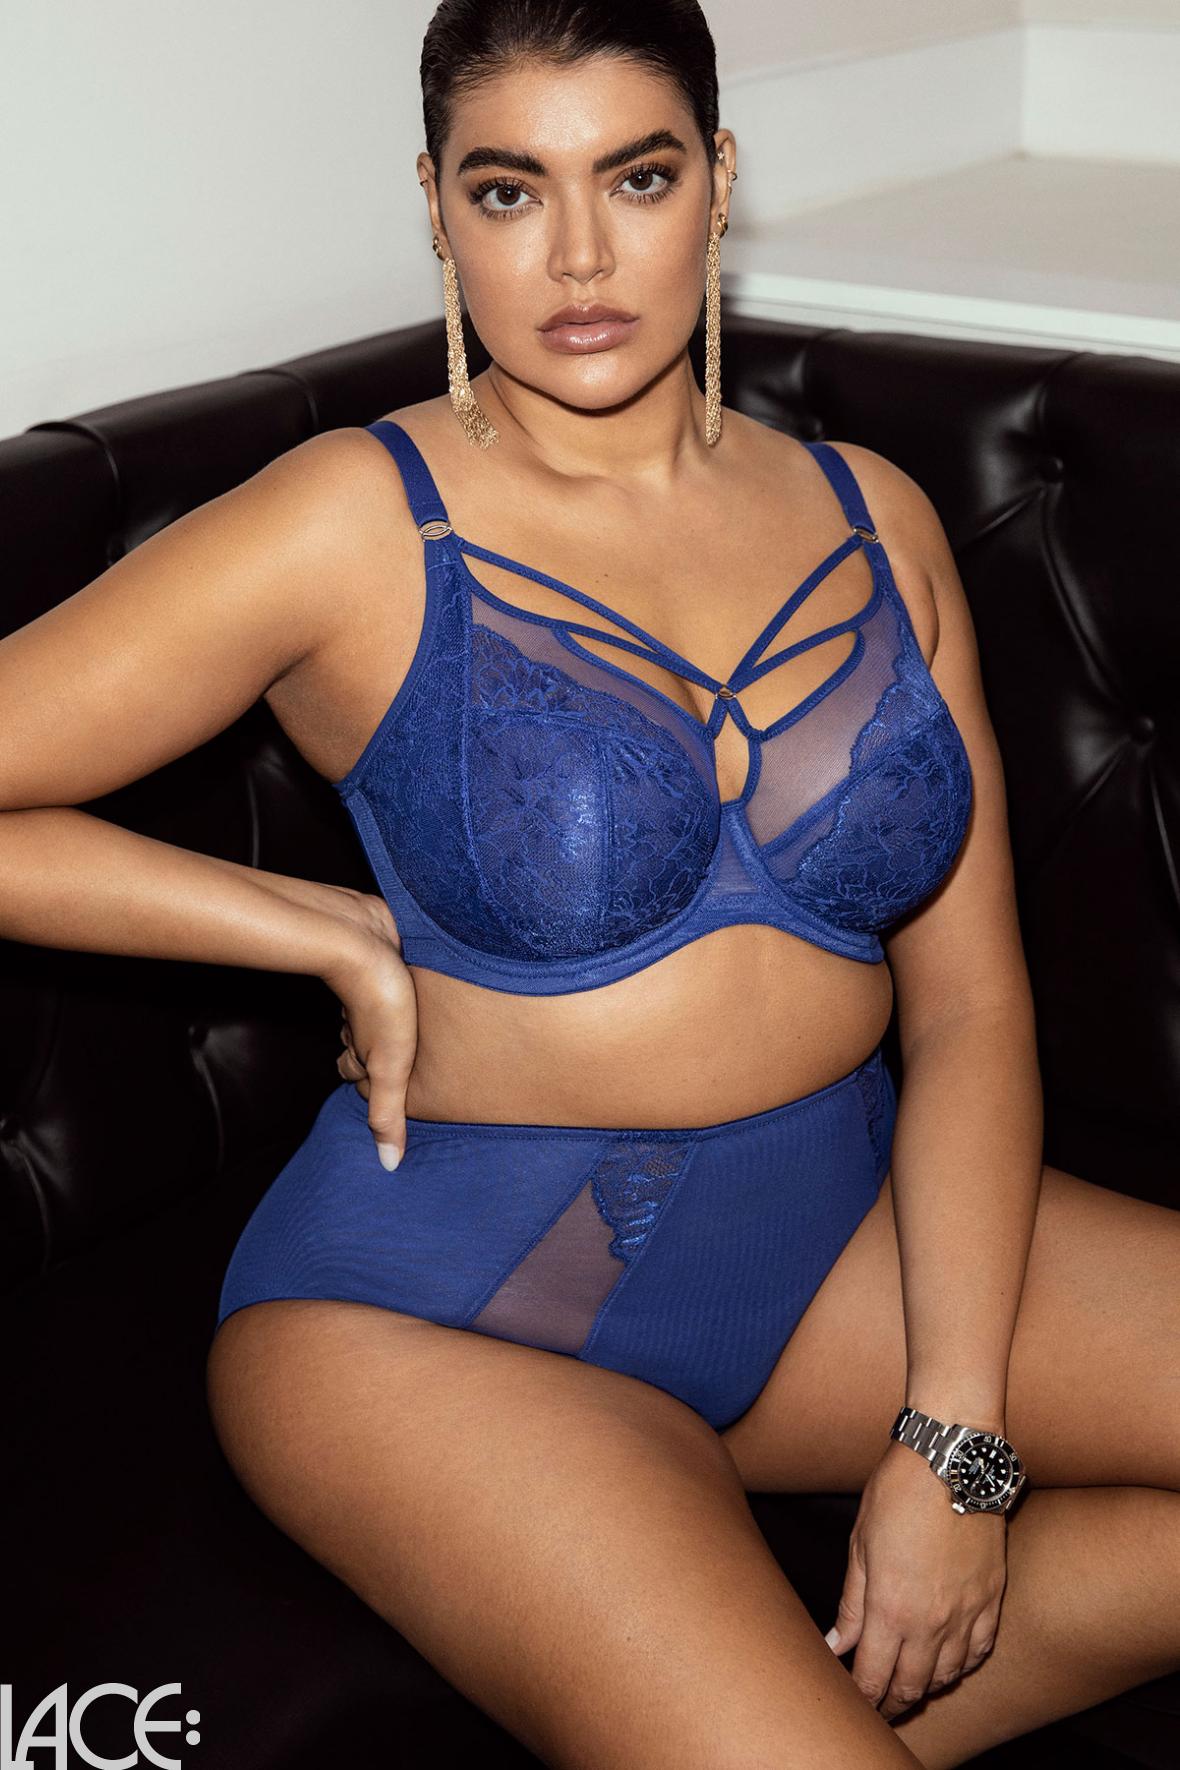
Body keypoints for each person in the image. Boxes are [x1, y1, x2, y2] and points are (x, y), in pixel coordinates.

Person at [3, 2, 1177, 1765]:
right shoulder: (353, 521)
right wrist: (312, 928)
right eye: (507, 189)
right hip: (437, 1314)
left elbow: (973, 1009)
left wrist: (954, 1440)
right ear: (434, 204)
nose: (576, 256)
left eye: (636, 177)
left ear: (720, 178)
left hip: (833, 1241)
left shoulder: (877, 516)